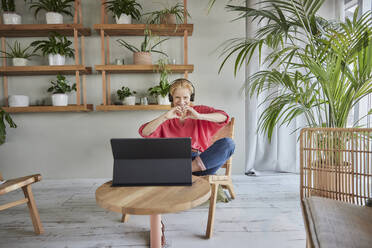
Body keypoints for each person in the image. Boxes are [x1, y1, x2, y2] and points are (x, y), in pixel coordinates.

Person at [139, 78, 235, 176]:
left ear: (191, 98)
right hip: (174, 161)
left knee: (228, 144)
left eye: (185, 98)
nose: (181, 102)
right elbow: (144, 132)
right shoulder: (167, 116)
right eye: (177, 97)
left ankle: (184, 170)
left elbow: (224, 117)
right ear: (171, 98)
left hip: (200, 165)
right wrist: (164, 117)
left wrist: (199, 116)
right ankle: (181, 171)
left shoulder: (200, 110)